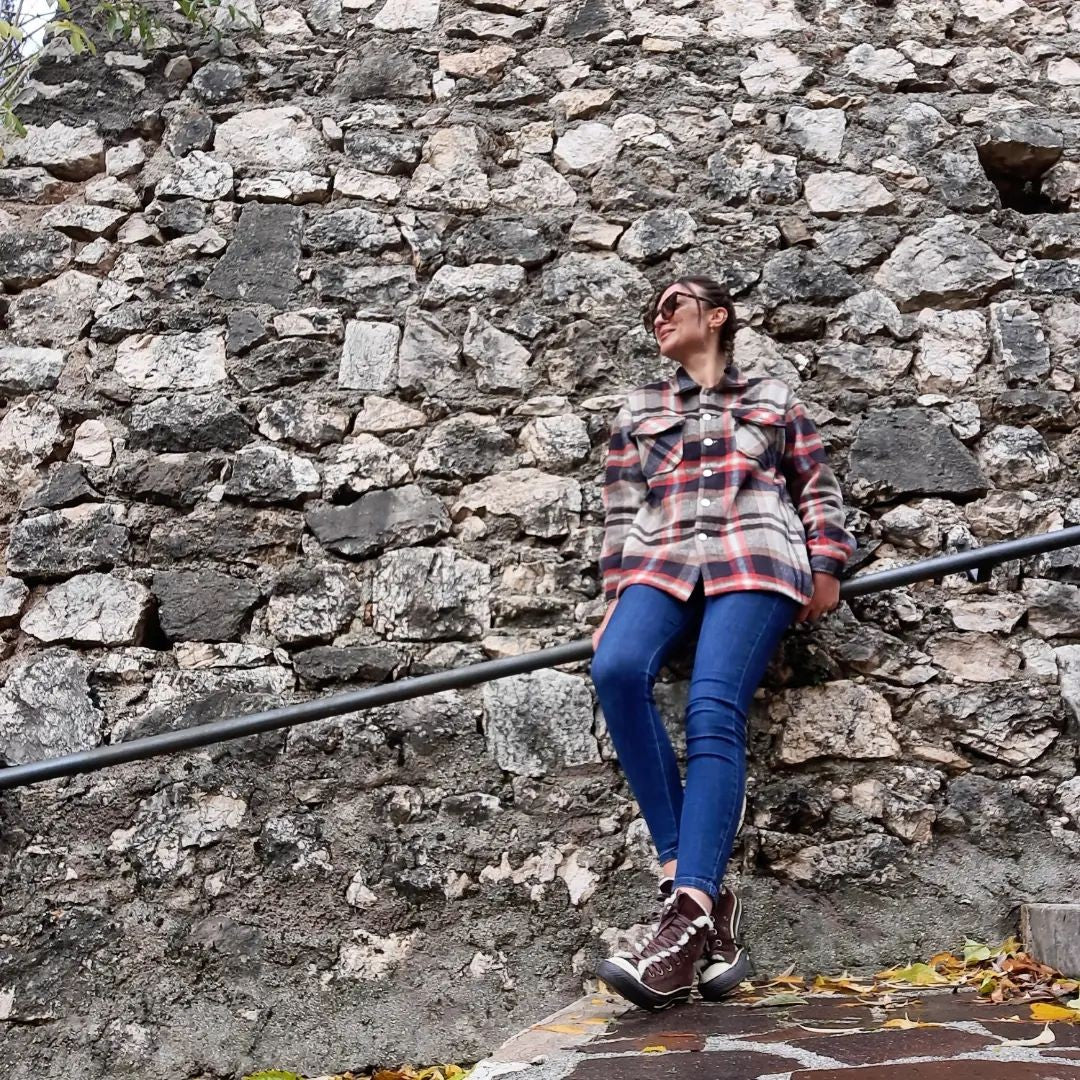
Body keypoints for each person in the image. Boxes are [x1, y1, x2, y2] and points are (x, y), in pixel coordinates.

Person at [590, 275, 856, 1012]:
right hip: (660, 559)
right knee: (615, 668)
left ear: (717, 315)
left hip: (757, 558)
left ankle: (684, 918)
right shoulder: (640, 410)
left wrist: (827, 563)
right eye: (651, 311)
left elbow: (817, 488)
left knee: (712, 709)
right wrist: (615, 596)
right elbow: (620, 513)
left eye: (671, 303)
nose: (659, 316)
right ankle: (700, 902)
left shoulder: (773, 400)